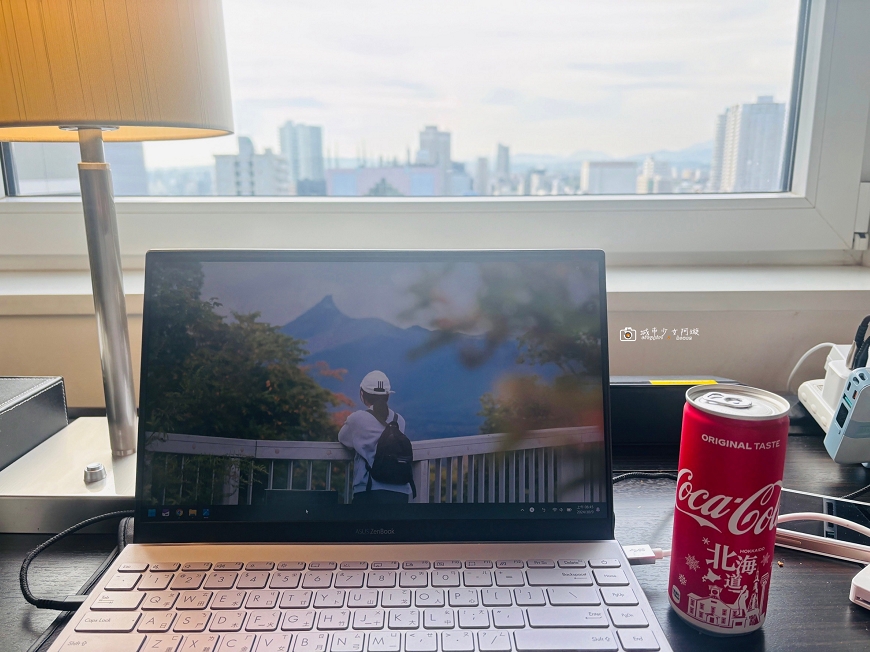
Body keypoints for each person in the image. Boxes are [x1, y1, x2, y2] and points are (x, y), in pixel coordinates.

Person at [338, 370, 411, 504]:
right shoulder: (399, 420)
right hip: (401, 492)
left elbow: (343, 439)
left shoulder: (357, 419)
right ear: (387, 395)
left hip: (369, 491)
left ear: (363, 394)